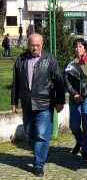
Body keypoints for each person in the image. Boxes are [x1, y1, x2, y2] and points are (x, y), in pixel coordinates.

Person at [11, 33, 65, 177]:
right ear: (29, 45)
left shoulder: (50, 59)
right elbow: (15, 82)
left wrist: (60, 100)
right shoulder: (21, 59)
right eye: (32, 45)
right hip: (27, 104)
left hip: (44, 104)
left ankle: (38, 164)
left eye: (38, 45)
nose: (35, 48)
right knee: (30, 133)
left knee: (41, 135)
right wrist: (14, 101)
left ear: (42, 45)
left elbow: (59, 82)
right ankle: (41, 152)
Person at [64, 38, 87, 162]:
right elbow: (66, 80)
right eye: (76, 46)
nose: (78, 48)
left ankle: (85, 150)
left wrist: (83, 93)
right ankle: (79, 140)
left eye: (80, 46)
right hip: (74, 98)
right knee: (74, 125)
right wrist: (74, 93)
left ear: (85, 48)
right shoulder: (70, 63)